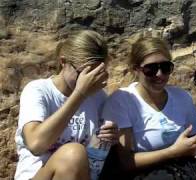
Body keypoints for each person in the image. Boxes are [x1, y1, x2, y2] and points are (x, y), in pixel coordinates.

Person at [14, 30, 119, 180]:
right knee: (73, 154)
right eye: (84, 73)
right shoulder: (38, 90)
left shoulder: (98, 97)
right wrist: (79, 94)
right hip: (37, 175)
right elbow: (36, 145)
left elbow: (97, 154)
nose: (90, 81)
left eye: (97, 74)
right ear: (63, 62)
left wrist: (112, 138)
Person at [102, 37, 196, 179]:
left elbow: (194, 140)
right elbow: (125, 162)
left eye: (165, 68)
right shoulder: (122, 101)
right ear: (135, 69)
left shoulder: (182, 97)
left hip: (182, 169)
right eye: (150, 69)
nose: (159, 75)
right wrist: (173, 152)